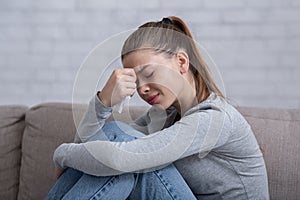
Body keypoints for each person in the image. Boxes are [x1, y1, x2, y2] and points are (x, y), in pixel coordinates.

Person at [45, 16, 269, 199]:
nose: (141, 89)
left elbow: (119, 159)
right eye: (135, 80)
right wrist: (103, 101)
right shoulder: (164, 117)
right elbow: (94, 146)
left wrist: (62, 154)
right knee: (117, 137)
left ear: (181, 62)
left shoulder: (214, 119)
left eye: (149, 74)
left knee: (129, 158)